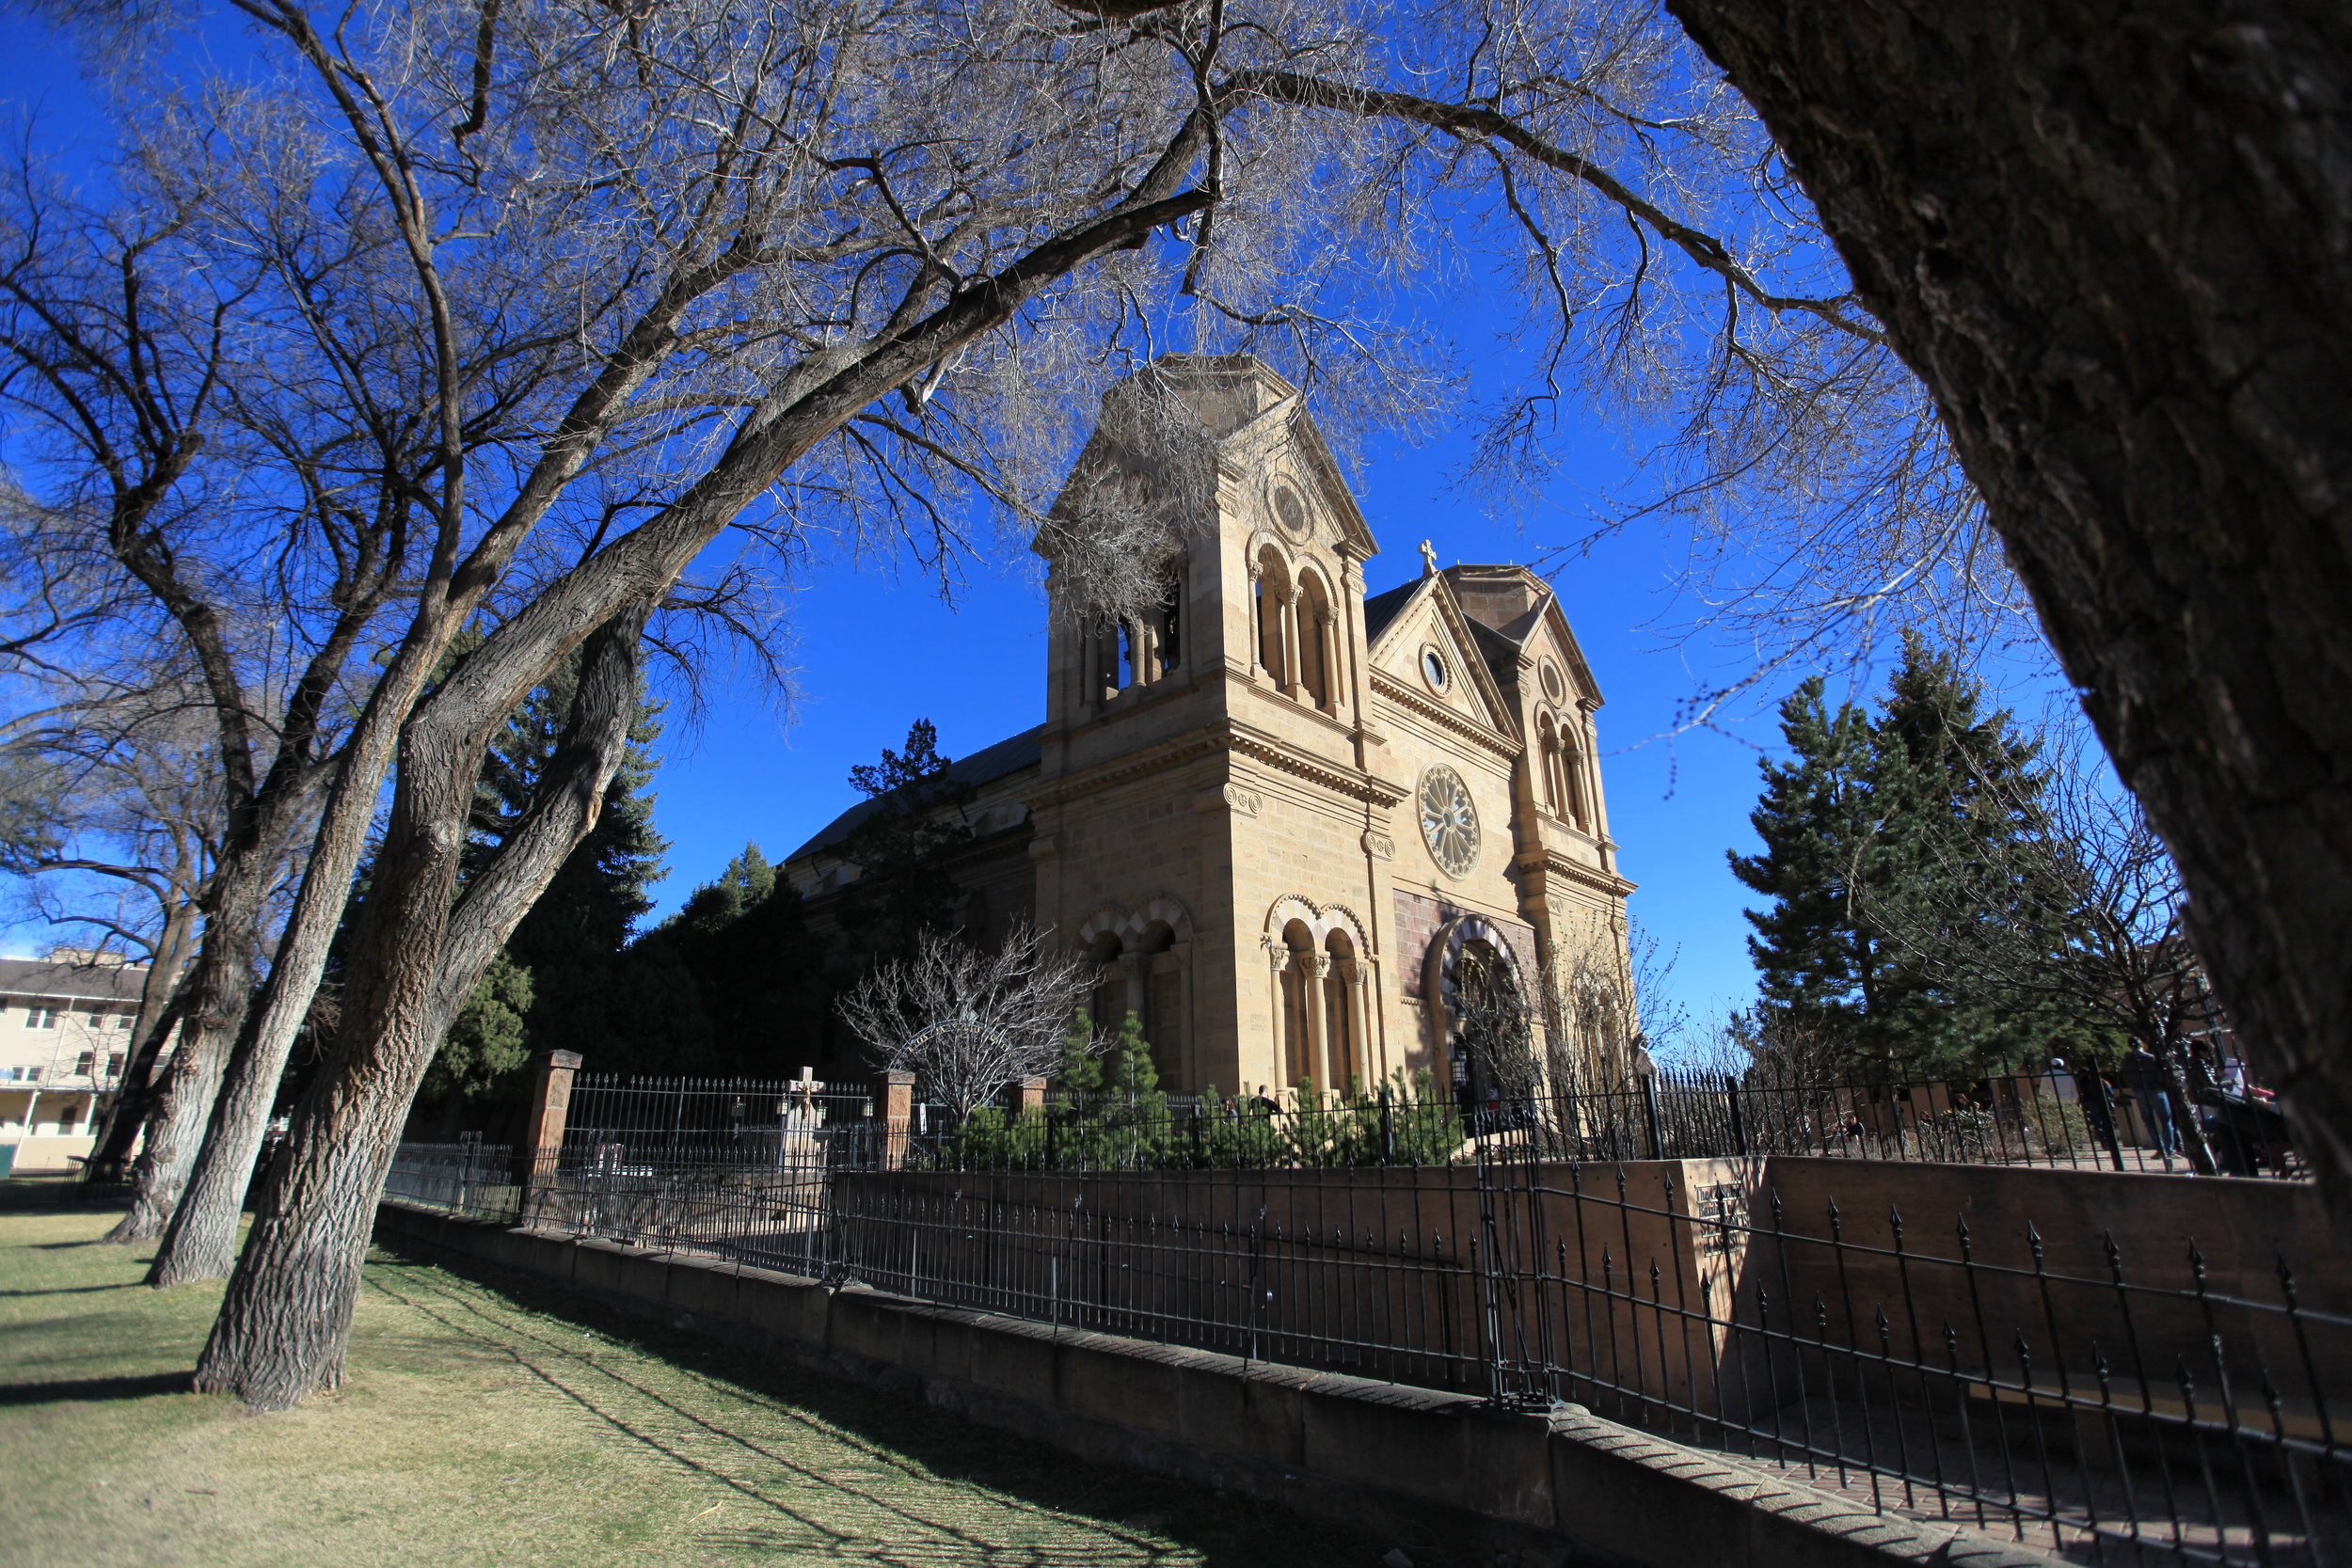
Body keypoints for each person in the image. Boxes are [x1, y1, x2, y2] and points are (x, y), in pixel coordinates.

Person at [2122, 1044, 2180, 1168]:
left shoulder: (2126, 1061)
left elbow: (2126, 1077)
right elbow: (2160, 1074)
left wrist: (2134, 1087)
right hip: (2156, 1090)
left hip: (2140, 1091)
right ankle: (2169, 1149)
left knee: (2149, 1121)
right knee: (2166, 1121)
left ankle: (2160, 1148)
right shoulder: (2151, 1058)